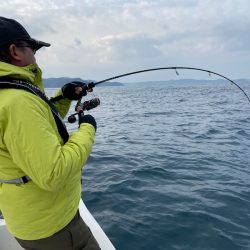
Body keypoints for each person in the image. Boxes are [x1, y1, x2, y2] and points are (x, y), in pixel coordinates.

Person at [0, 16, 100, 250]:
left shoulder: (9, 95)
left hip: (28, 219)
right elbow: (53, 172)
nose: (36, 56)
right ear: (15, 51)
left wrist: (64, 97)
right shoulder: (18, 103)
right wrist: (87, 127)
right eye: (33, 49)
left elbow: (38, 125)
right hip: (54, 228)